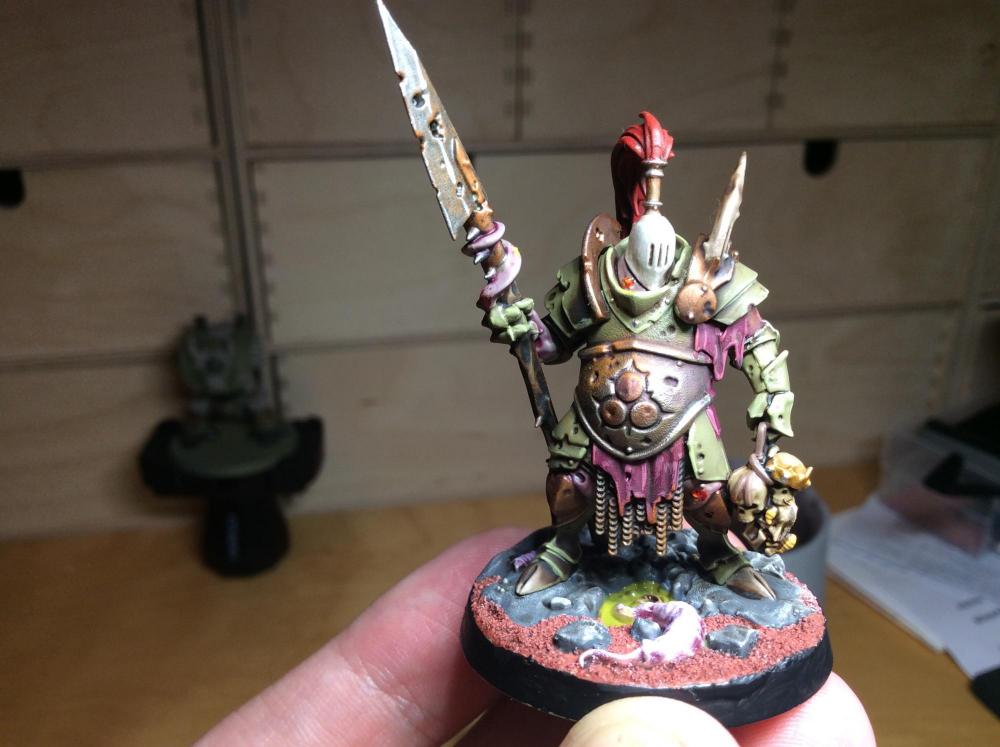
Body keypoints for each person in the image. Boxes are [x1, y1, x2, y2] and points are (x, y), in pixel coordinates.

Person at [195, 528, 875, 746]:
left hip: (682, 414)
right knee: (581, 486)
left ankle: (717, 563)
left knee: (704, 494)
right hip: (608, 423)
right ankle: (569, 557)